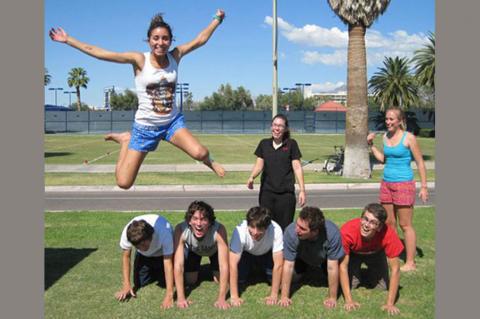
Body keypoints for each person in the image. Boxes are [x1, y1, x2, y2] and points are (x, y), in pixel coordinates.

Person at [49, 10, 226, 189]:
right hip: (145, 128)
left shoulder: (175, 56)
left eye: (165, 38)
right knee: (123, 183)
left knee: (200, 152)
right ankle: (126, 140)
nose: (160, 42)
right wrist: (69, 40)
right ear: (148, 40)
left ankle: (209, 161)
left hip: (171, 123)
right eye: (155, 38)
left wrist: (217, 20)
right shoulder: (139, 59)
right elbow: (100, 53)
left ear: (171, 40)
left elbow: (200, 39)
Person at [367, 106, 429, 272]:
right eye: (386, 119)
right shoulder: (386, 137)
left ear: (400, 120)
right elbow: (383, 159)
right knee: (388, 222)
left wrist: (423, 186)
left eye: (391, 119)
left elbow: (420, 163)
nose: (388, 122)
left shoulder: (409, 138)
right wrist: (371, 145)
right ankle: (392, 254)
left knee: (405, 224)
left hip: (404, 184)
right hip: (386, 183)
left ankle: (410, 262)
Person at [339, 203, 404, 316]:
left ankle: (369, 272)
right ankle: (357, 274)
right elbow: (343, 266)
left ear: (379, 227)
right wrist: (349, 301)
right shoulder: (347, 230)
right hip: (354, 254)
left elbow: (395, 270)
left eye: (373, 222)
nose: (366, 225)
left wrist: (390, 304)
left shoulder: (388, 233)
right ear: (361, 218)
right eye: (365, 219)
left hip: (376, 254)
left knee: (382, 287)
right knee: (352, 285)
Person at [247, 114, 306, 230]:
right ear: (271, 127)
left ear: (285, 129)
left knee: (284, 229)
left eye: (280, 126)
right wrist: (251, 177)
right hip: (267, 194)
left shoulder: (291, 144)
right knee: (266, 227)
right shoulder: (264, 144)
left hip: (286, 195)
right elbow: (259, 164)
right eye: (274, 125)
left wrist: (302, 190)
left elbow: (297, 167)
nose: (277, 128)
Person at [279, 206, 344, 308]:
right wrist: (284, 296)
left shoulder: (332, 233)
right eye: (297, 224)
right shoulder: (290, 232)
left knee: (337, 280)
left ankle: (318, 267)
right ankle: (305, 269)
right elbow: (288, 265)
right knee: (294, 278)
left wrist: (332, 298)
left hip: (324, 259)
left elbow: (332, 267)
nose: (297, 230)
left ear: (315, 231)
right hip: (301, 257)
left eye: (302, 229)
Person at [173, 200, 230, 309]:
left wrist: (221, 298)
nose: (198, 224)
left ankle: (211, 268)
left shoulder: (219, 230)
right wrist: (181, 298)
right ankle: (199, 268)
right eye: (195, 219)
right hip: (193, 251)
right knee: (190, 281)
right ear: (189, 221)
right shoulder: (180, 229)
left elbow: (224, 265)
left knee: (220, 280)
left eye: (203, 219)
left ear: (210, 222)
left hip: (214, 251)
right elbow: (178, 265)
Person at [115, 214, 174, 309]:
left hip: (163, 255)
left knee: (165, 283)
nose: (142, 248)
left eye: (143, 244)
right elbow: (126, 257)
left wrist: (169, 294)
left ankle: (158, 271)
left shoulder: (164, 232)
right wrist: (126, 285)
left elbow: (168, 262)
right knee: (140, 284)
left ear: (150, 236)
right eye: (138, 247)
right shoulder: (127, 233)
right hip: (144, 257)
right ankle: (155, 271)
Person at [229, 206, 284, 306]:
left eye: (260, 229)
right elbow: (232, 264)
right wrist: (234, 296)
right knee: (239, 279)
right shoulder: (240, 231)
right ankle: (252, 269)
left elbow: (279, 264)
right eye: (252, 227)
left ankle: (260, 270)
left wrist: (274, 295)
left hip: (267, 254)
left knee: (278, 281)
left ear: (267, 227)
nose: (255, 232)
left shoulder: (276, 230)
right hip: (246, 254)